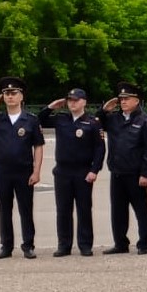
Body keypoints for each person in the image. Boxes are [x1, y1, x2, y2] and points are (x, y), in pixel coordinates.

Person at [0, 76, 44, 259]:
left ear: (21, 96)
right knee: (4, 209)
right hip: (2, 171)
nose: (10, 96)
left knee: (25, 209)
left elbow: (38, 146)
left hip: (24, 170)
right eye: (6, 93)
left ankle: (28, 245)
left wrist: (36, 171)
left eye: (14, 93)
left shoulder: (31, 120)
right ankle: (6, 246)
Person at [38, 88, 106, 257]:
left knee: (84, 209)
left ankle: (85, 245)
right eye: (70, 100)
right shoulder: (61, 119)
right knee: (63, 210)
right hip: (62, 171)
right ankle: (64, 245)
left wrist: (94, 170)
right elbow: (39, 120)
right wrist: (51, 107)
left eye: (76, 100)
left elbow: (100, 148)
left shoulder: (92, 122)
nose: (72, 103)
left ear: (84, 102)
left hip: (83, 171)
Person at [97, 81, 147, 255]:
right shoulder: (114, 118)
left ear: (136, 101)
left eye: (127, 98)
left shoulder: (145, 120)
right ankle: (120, 243)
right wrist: (105, 110)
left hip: (135, 173)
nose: (123, 101)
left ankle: (144, 244)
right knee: (118, 210)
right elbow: (96, 122)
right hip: (117, 172)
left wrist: (145, 173)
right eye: (121, 99)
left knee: (140, 209)